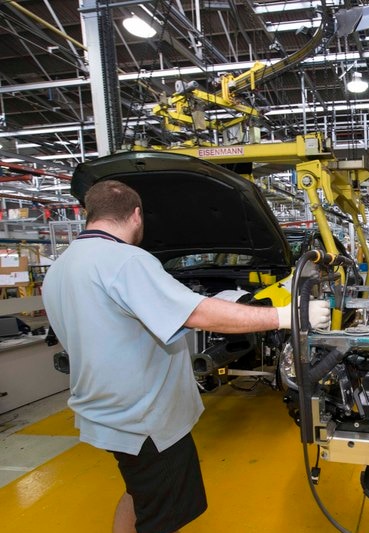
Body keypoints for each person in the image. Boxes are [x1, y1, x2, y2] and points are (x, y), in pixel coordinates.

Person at [42, 180, 331, 533]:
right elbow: (197, 314)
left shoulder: (60, 267)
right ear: (136, 215)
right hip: (143, 419)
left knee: (140, 493)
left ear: (91, 213)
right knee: (162, 517)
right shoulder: (125, 260)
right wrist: (287, 317)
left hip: (104, 410)